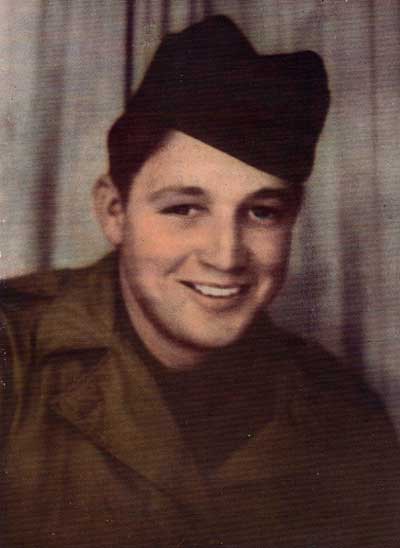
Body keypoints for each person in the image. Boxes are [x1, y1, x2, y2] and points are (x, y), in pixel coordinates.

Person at [1, 15, 399, 548]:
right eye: (185, 208)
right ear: (115, 211)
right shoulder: (11, 358)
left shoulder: (343, 412)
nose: (225, 255)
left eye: (262, 213)